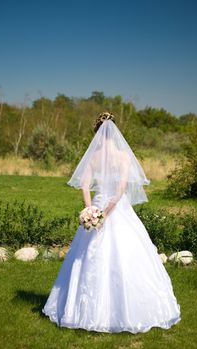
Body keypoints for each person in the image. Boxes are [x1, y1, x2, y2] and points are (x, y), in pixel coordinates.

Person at [42, 112, 181, 334]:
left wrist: (91, 209)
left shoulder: (93, 156)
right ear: (114, 131)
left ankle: (83, 310)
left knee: (87, 255)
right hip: (116, 209)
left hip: (98, 205)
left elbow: (85, 185)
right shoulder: (123, 155)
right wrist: (104, 213)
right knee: (127, 255)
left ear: (97, 132)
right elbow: (120, 189)